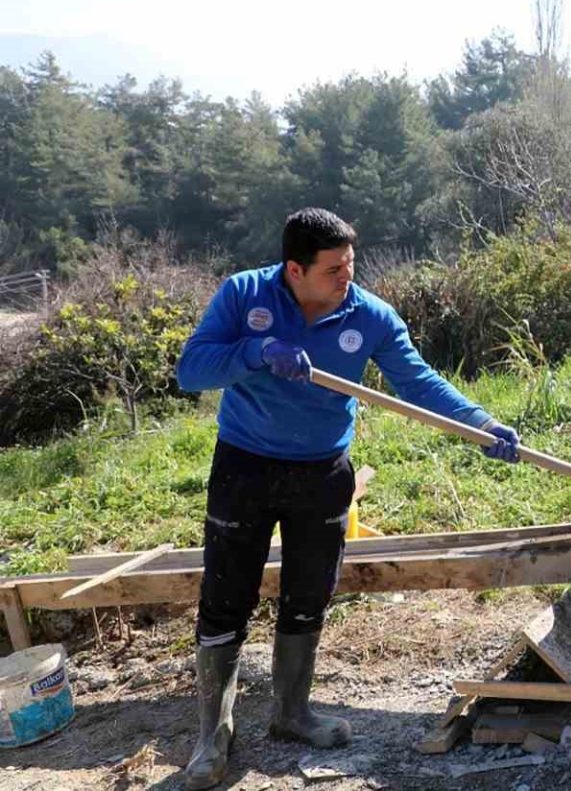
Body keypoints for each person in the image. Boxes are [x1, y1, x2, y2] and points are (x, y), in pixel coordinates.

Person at [173, 208, 521, 790]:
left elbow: (418, 381)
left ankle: (292, 713)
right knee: (226, 597)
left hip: (322, 471)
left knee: (309, 594)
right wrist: (257, 351)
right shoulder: (243, 294)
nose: (346, 278)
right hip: (245, 467)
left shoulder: (369, 315)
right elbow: (191, 370)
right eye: (333, 269)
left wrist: (479, 423)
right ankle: (213, 735)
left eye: (350, 265)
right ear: (294, 269)